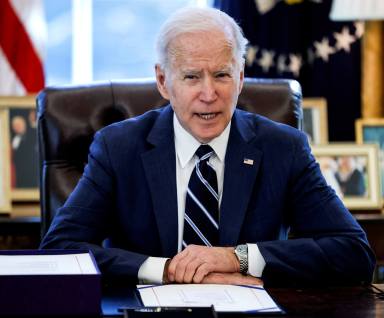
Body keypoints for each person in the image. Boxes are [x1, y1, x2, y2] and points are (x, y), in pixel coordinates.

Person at [40, 7, 375, 287]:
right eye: (191, 77)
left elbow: (354, 252)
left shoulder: (283, 148)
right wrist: (168, 270)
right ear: (162, 81)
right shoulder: (118, 147)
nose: (209, 93)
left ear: (241, 77)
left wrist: (237, 259)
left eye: (221, 75)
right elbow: (58, 250)